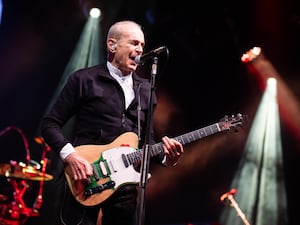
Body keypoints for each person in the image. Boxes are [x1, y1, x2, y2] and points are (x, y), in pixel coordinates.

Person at [40, 20, 184, 225]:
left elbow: (147, 142)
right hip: (86, 178)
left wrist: (166, 159)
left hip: (124, 186)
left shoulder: (146, 90)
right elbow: (50, 124)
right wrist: (70, 156)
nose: (140, 50)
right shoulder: (85, 79)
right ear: (112, 45)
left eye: (142, 45)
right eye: (134, 43)